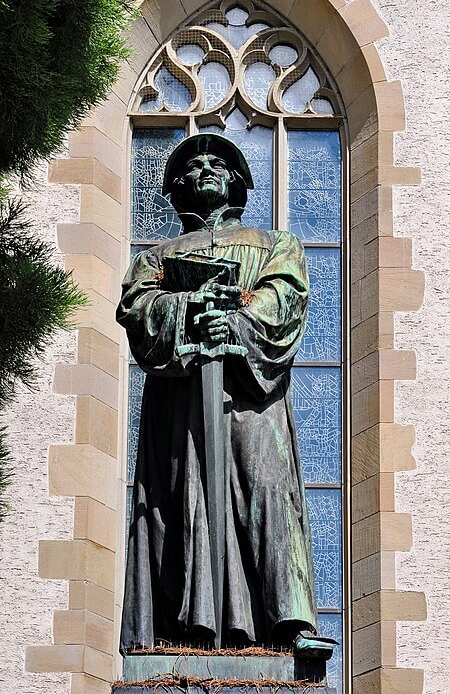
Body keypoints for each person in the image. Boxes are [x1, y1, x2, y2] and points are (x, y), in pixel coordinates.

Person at [118, 134, 334, 658]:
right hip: (181, 398)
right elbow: (137, 310)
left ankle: (288, 623)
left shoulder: (275, 244)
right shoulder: (156, 257)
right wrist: (190, 308)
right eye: (193, 165)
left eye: (219, 162)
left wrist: (234, 320)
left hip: (251, 397)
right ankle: (181, 628)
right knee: (178, 498)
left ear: (238, 181)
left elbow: (285, 297)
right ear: (175, 188)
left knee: (265, 489)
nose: (207, 169)